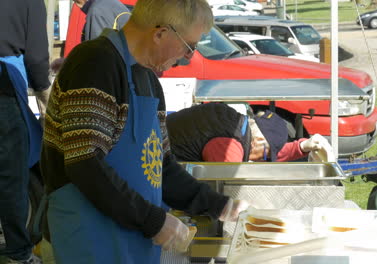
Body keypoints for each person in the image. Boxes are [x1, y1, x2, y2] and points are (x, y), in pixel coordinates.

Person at [40, 0, 247, 263]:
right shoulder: (96, 63)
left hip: (133, 241)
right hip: (88, 239)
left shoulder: (148, 80)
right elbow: (84, 161)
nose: (188, 57)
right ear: (160, 33)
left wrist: (219, 206)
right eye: (189, 46)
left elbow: (161, 166)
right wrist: (152, 221)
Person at [0, 0, 50, 263]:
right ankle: (19, 254)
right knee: (10, 175)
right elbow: (36, 57)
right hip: (4, 87)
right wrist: (46, 99)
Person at [166, 103, 334, 162]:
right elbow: (226, 191)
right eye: (266, 155)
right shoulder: (230, 147)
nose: (265, 160)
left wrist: (302, 146)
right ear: (258, 139)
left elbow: (269, 150)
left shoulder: (236, 122)